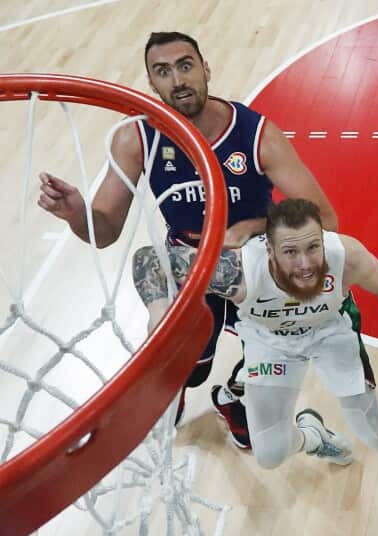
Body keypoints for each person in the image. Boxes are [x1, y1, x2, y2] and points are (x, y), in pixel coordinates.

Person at [37, 30, 338, 448]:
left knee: (289, 350)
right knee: (190, 368)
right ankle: (181, 382)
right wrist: (75, 212)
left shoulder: (255, 135)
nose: (177, 80)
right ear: (151, 83)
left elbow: (325, 218)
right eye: (163, 71)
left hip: (249, 263)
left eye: (185, 65)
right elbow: (103, 232)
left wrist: (253, 228)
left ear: (205, 69)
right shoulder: (136, 139)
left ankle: (233, 396)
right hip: (188, 265)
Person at [131, 198, 378, 536]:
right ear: (268, 251)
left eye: (312, 247)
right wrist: (158, 313)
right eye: (290, 252)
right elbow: (147, 259)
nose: (305, 263)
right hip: (271, 343)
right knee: (269, 454)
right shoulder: (237, 271)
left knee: (372, 429)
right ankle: (313, 437)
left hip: (330, 332)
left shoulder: (345, 256)